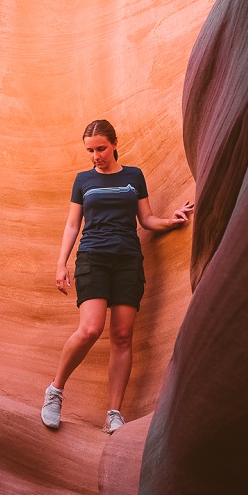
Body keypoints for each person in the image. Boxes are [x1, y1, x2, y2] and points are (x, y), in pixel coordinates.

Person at [41, 119, 193, 433]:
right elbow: (72, 225)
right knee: (91, 329)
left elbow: (147, 219)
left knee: (123, 337)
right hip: (93, 258)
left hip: (127, 260)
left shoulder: (133, 176)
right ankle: (55, 390)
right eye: (90, 150)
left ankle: (114, 413)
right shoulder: (83, 180)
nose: (95, 155)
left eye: (100, 148)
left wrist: (173, 220)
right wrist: (61, 264)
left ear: (113, 144)